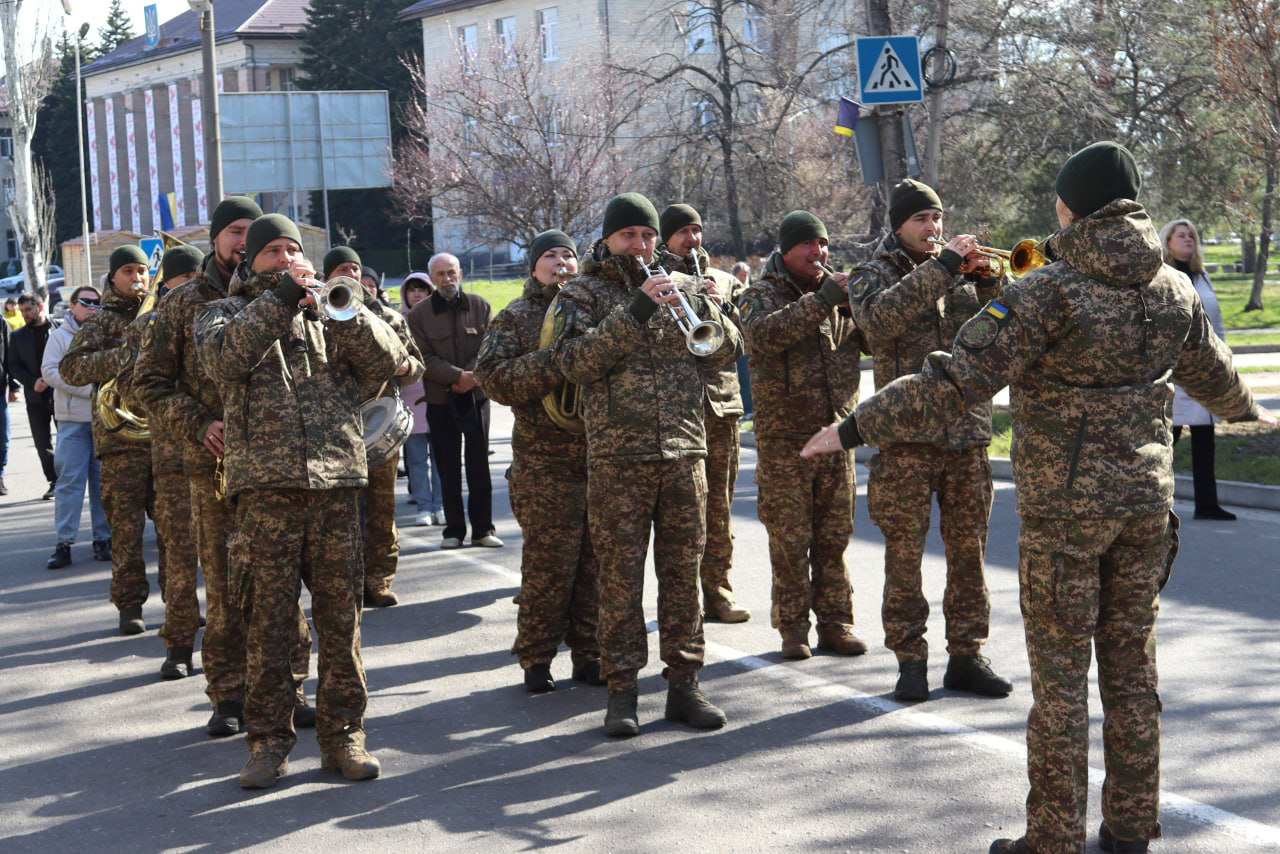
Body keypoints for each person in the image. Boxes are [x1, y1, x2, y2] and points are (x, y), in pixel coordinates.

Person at [802, 141, 1276, 854]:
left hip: (1066, 517)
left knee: (1060, 685)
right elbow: (1215, 378)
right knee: (1133, 673)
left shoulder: (1045, 293)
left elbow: (952, 382)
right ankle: (1130, 829)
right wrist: (1254, 410)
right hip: (1146, 509)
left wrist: (852, 427)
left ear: (1070, 207)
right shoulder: (1172, 288)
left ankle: (1053, 837)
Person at [196, 213, 407, 789]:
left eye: (295, 250)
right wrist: (282, 298)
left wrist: (348, 312)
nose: (288, 259)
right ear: (251, 260)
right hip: (266, 494)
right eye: (274, 251)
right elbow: (224, 361)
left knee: (342, 623)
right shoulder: (222, 313)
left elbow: (388, 362)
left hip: (336, 487)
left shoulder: (334, 311)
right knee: (267, 626)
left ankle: (345, 738)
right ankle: (268, 743)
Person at [552, 192, 742, 737]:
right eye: (628, 235)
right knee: (619, 580)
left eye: (647, 235)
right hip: (618, 460)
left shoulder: (682, 285)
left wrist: (711, 310)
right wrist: (635, 310)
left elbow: (728, 349)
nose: (639, 245)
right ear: (608, 240)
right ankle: (622, 691)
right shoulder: (581, 293)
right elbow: (572, 363)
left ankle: (685, 685)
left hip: (684, 452)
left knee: (683, 576)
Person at [136, 197, 315, 737]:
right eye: (234, 231)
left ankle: (291, 688)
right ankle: (229, 695)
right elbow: (148, 382)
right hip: (213, 467)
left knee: (282, 585)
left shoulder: (295, 292)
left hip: (281, 465)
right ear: (215, 238)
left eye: (250, 232)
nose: (243, 240)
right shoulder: (183, 302)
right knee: (225, 585)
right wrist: (198, 423)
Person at [846, 179, 1013, 703]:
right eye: (921, 219)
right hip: (906, 440)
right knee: (905, 555)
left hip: (966, 435)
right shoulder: (873, 274)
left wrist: (990, 285)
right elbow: (878, 324)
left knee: (969, 553)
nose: (933, 227)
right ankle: (910, 660)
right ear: (898, 225)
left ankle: (966, 654)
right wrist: (941, 269)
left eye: (937, 217)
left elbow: (1002, 335)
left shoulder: (961, 273)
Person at [475, 228, 604, 693]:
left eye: (568, 255)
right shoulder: (516, 316)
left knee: (595, 567)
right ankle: (536, 657)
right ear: (533, 267)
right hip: (543, 464)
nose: (561, 263)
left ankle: (590, 655)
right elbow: (492, 378)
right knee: (549, 568)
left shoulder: (594, 308)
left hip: (597, 457)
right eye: (550, 256)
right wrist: (556, 360)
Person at [739, 211, 867, 661]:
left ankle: (836, 623)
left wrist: (860, 307)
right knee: (791, 540)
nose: (819, 252)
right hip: (785, 440)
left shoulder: (838, 291)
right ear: (786, 250)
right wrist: (822, 301)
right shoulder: (760, 294)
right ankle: (793, 629)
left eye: (823, 243)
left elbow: (875, 342)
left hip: (836, 434)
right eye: (809, 244)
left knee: (835, 537)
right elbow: (762, 336)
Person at [659, 204, 750, 623]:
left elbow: (749, 337)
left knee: (719, 507)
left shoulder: (725, 281)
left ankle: (718, 590)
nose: (692, 239)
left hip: (721, 407)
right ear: (665, 238)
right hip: (678, 411)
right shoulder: (655, 281)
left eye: (696, 231)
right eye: (682, 232)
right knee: (680, 514)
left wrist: (723, 308)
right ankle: (682, 598)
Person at [60, 246, 157, 636]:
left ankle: (181, 605)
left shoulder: (160, 315)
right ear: (113, 277)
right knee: (127, 533)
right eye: (129, 271)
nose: (138, 278)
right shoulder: (101, 320)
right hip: (120, 444)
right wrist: (124, 355)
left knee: (177, 533)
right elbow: (71, 368)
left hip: (164, 438)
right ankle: (129, 606)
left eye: (143, 271)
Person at [323, 246, 424, 607]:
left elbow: (417, 365)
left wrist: (405, 367)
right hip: (335, 431)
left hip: (379, 424)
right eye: (341, 269)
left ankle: (379, 579)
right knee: (342, 515)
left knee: (382, 510)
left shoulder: (388, 316)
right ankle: (348, 582)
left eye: (354, 269)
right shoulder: (317, 316)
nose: (350, 275)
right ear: (327, 277)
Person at [128, 244, 206, 680]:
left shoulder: (221, 313)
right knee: (179, 556)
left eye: (198, 277)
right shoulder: (149, 325)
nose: (192, 286)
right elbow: (137, 387)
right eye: (185, 279)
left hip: (222, 454)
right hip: (175, 459)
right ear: (168, 283)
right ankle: (178, 644)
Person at [406, 252, 502, 549]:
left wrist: (471, 378)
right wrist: (457, 377)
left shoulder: (480, 306)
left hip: (477, 397)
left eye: (451, 272)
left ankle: (483, 529)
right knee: (447, 467)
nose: (447, 278)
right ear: (432, 278)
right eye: (440, 274)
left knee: (478, 465)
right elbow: (422, 356)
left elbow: (490, 348)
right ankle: (453, 531)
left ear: (460, 273)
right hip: (439, 398)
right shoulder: (419, 314)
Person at [1161, 218, 1237, 521]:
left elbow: (1216, 323)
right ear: (1168, 243)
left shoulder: (1202, 277)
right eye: (1181, 235)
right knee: (1167, 441)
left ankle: (1207, 504)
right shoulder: (1162, 276)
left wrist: (1224, 360)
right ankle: (1153, 504)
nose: (1188, 239)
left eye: (1191, 234)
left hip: (1205, 372)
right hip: (1175, 373)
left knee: (1205, 438)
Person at [42, 286, 112, 568]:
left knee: (102, 484)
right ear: (72, 306)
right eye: (85, 302)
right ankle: (64, 542)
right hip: (73, 422)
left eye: (97, 302)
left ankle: (102, 539)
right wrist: (90, 391)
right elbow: (50, 372)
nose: (92, 306)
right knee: (69, 483)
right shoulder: (59, 336)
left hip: (103, 421)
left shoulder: (106, 334)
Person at [399, 272, 444, 526]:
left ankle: (440, 505)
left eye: (422, 289)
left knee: (441, 459)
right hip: (409, 399)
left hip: (438, 396)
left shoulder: (438, 319)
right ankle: (424, 507)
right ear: (405, 293)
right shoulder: (396, 321)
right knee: (416, 460)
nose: (417, 294)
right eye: (412, 289)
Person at [9, 294, 59, 498]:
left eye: (28, 310)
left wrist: (56, 379)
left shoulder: (58, 330)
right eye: (22, 311)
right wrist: (32, 382)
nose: (25, 314)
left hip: (61, 394)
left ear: (40, 307)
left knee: (68, 440)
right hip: (35, 397)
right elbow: (13, 365)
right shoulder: (18, 336)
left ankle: (70, 479)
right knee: (41, 443)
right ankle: (54, 480)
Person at [0, 314, 14, 496]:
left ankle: (0, 475)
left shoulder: (1, 322)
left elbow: (10, 355)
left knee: (2, 435)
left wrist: (14, 386)